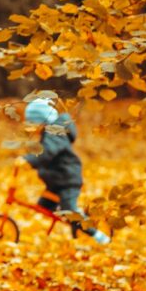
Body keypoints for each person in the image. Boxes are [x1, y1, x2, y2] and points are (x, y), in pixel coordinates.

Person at [23, 91, 108, 242]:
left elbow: (47, 152)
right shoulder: (49, 133)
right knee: (44, 206)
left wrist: (28, 160)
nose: (30, 127)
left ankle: (99, 236)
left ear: (42, 121)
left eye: (32, 123)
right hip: (56, 183)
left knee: (70, 211)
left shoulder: (56, 133)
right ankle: (74, 221)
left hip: (67, 180)